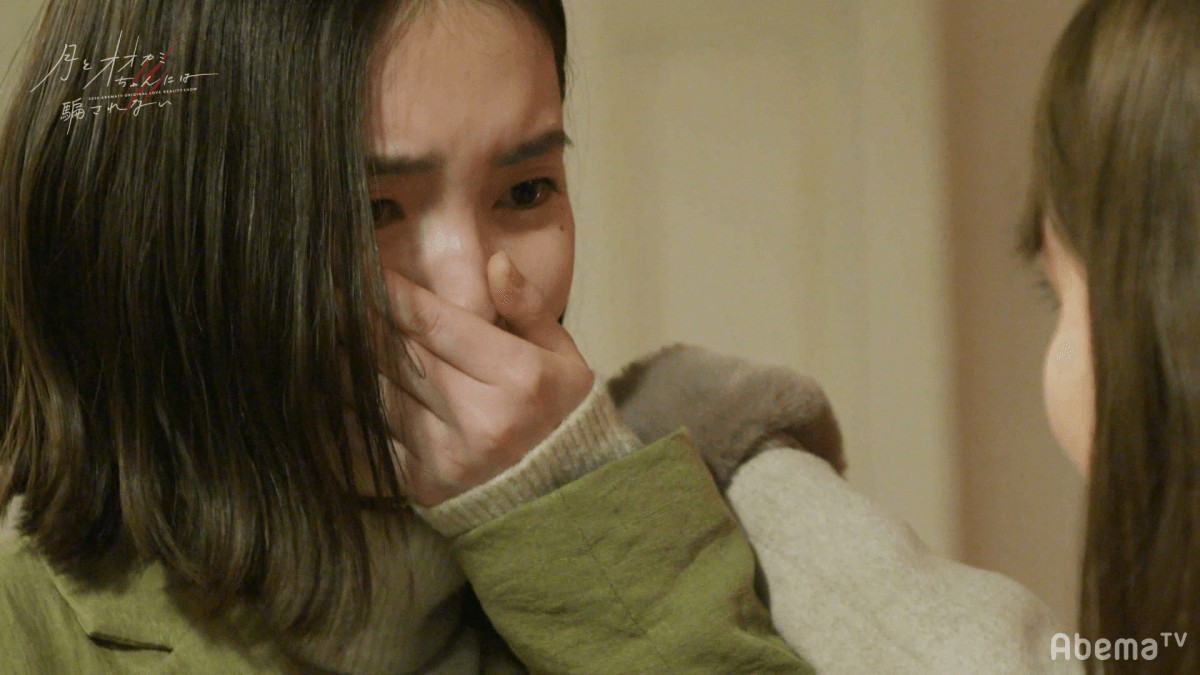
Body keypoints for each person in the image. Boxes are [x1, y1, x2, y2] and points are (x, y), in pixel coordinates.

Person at [0, 0, 822, 672]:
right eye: (368, 210)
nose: (472, 296)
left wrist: (572, 518)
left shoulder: (723, 502)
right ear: (146, 238)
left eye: (527, 191)